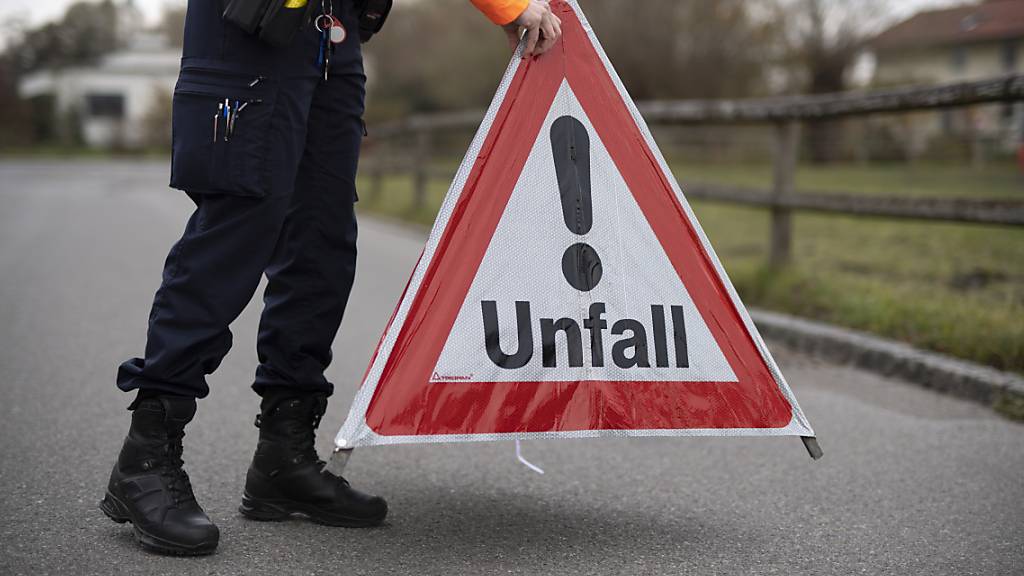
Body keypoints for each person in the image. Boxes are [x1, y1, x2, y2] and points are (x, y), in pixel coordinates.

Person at [99, 0, 562, 556]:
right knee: (237, 232)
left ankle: (283, 455)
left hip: (330, 33)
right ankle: (146, 455)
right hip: (254, 22)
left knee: (323, 242)